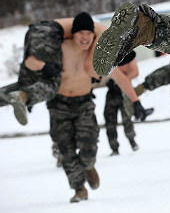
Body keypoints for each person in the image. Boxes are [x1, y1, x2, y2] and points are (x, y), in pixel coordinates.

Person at [0, 14, 148, 126]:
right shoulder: (105, 37)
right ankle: (25, 96)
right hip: (49, 34)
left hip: (36, 31)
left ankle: (20, 96)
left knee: (27, 83)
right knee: (51, 83)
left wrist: (135, 102)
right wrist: (98, 76)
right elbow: (90, 67)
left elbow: (120, 77)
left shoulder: (106, 35)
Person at [45, 13, 101, 202]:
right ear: (72, 34)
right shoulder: (59, 48)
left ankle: (88, 165)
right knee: (65, 150)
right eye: (80, 32)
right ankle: (79, 189)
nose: (85, 37)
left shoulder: (94, 50)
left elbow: (106, 32)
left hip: (84, 103)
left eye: (89, 32)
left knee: (89, 147)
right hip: (59, 105)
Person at [102, 50, 146, 155]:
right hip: (112, 92)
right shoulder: (109, 56)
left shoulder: (129, 54)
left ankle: (132, 140)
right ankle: (114, 148)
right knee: (110, 120)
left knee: (127, 118)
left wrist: (121, 79)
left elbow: (135, 72)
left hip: (126, 92)